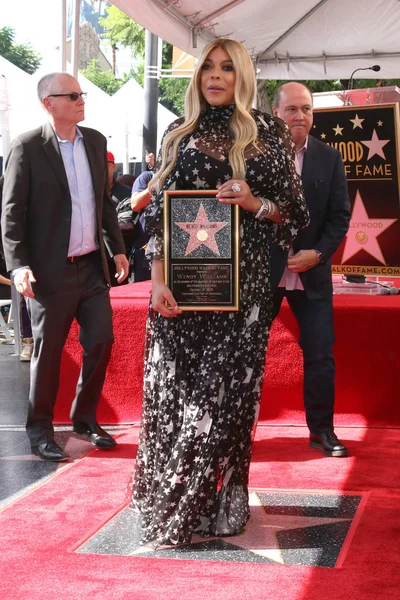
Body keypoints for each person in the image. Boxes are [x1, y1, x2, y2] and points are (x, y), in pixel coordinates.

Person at [129, 38, 309, 551]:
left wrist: (254, 201)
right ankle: (172, 497)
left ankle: (204, 506)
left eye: (227, 68)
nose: (214, 76)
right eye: (207, 67)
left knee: (220, 400)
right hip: (179, 295)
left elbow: (295, 214)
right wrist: (158, 277)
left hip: (241, 294)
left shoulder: (265, 133)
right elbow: (158, 214)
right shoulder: (176, 132)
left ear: (242, 76)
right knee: (176, 396)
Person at [1, 72, 129, 462]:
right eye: (71, 95)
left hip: (91, 267)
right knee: (50, 351)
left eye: (81, 94)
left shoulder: (95, 141)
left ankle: (84, 418)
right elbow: (10, 214)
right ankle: (39, 429)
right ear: (48, 103)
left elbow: (103, 202)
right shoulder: (26, 147)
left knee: (102, 341)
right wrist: (19, 265)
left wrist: (117, 249)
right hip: (49, 271)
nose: (80, 100)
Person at [272, 82, 350, 457]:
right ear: (276, 113)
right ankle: (236, 431)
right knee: (246, 351)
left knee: (320, 352)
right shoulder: (257, 154)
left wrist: (316, 255)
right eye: (291, 109)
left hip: (312, 273)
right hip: (264, 272)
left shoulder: (329, 158)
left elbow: (339, 219)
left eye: (306, 109)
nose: (299, 116)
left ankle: (322, 431)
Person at [106, 151, 132, 285]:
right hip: (92, 258)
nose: (103, 168)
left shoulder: (125, 192)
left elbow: (127, 223)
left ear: (114, 166)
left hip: (119, 255)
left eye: (107, 164)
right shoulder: (88, 191)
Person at [128, 170, 153, 282]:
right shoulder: (147, 177)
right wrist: (157, 184)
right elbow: (135, 204)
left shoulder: (184, 177)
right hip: (145, 249)